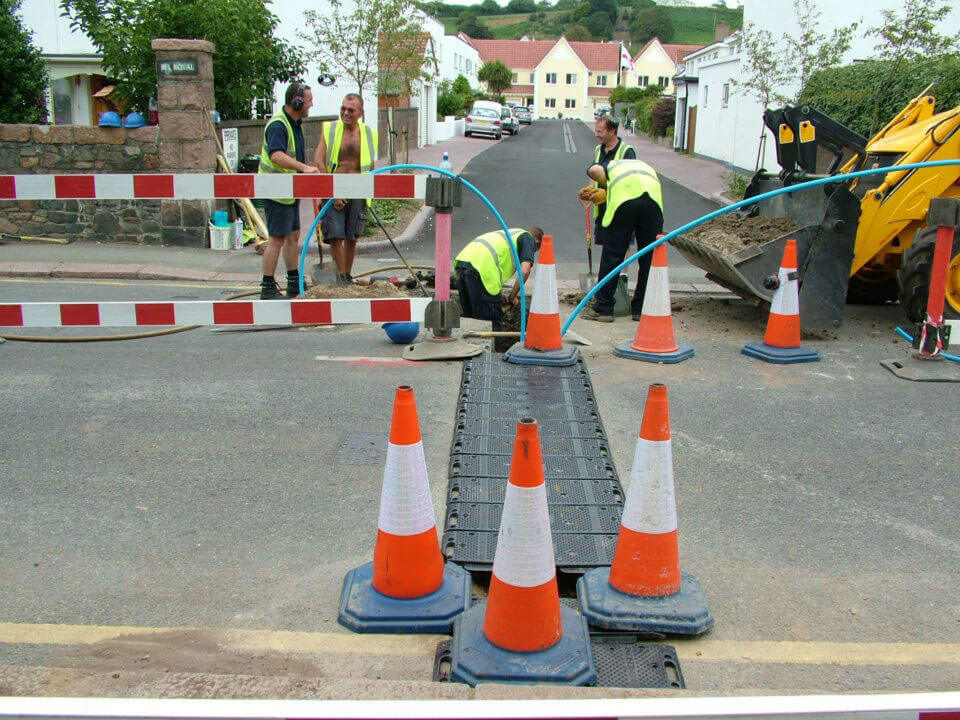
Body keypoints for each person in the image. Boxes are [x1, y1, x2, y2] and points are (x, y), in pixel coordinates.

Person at [580, 160, 664, 323]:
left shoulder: (608, 166)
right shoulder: (642, 166)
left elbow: (595, 170)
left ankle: (604, 308)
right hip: (653, 202)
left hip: (626, 202)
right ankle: (641, 309)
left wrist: (600, 185)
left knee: (613, 254)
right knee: (649, 257)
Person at [257, 81, 318, 300]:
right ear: (297, 101)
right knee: (276, 239)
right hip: (276, 190)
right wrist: (303, 168)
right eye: (309, 100)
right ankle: (267, 286)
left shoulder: (295, 123)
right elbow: (276, 155)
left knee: (293, 236)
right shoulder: (278, 125)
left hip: (289, 191)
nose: (311, 105)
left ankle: (293, 281)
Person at [315, 93, 379, 285]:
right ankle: (341, 277)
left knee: (352, 235)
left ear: (360, 112)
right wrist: (333, 192)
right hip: (335, 186)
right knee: (335, 235)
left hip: (358, 189)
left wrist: (368, 190)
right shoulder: (330, 129)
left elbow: (370, 165)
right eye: (343, 108)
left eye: (351, 110)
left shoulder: (369, 133)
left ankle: (347, 276)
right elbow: (319, 161)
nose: (345, 113)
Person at [454, 227, 544, 331]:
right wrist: (512, 296)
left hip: (462, 263)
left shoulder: (510, 233)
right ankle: (493, 346)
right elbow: (525, 271)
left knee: (470, 321)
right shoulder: (527, 238)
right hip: (482, 271)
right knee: (490, 324)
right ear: (537, 242)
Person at [580, 115, 636, 238]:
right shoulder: (598, 150)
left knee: (621, 246)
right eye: (596, 131)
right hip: (602, 208)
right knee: (606, 245)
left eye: (600, 131)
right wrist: (590, 189)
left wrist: (607, 194)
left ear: (611, 131)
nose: (596, 134)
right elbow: (594, 174)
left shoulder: (626, 151)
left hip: (621, 210)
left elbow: (631, 183)